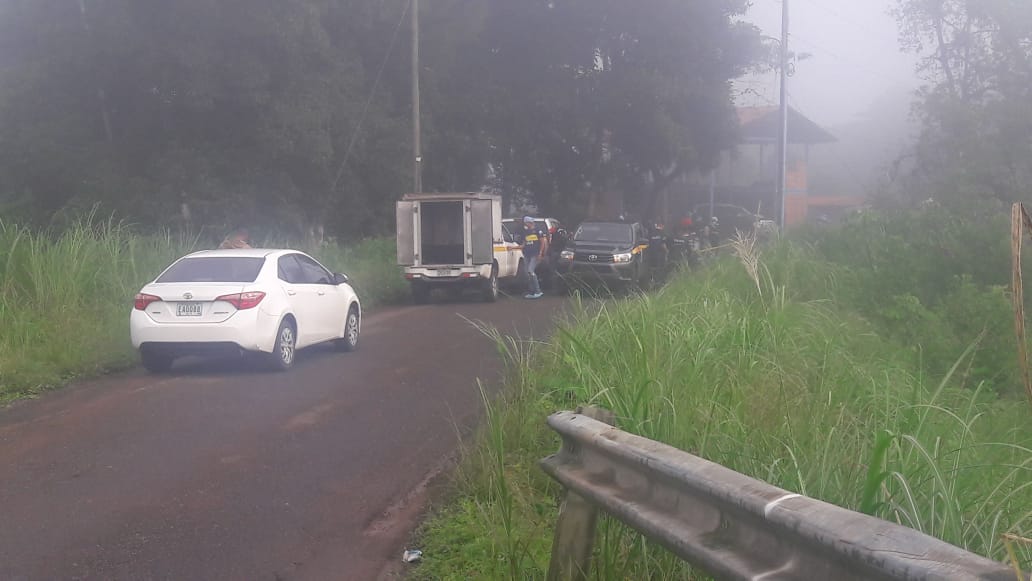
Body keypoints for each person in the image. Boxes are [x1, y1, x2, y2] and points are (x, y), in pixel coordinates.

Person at [517, 216, 548, 299]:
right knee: (527, 273)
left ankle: (538, 291)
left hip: (535, 254)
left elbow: (542, 243)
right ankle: (532, 291)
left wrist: (541, 253)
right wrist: (512, 247)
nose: (526, 224)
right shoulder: (525, 232)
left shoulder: (538, 231)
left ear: (529, 223)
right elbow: (523, 245)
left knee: (531, 271)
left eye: (526, 223)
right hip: (527, 254)